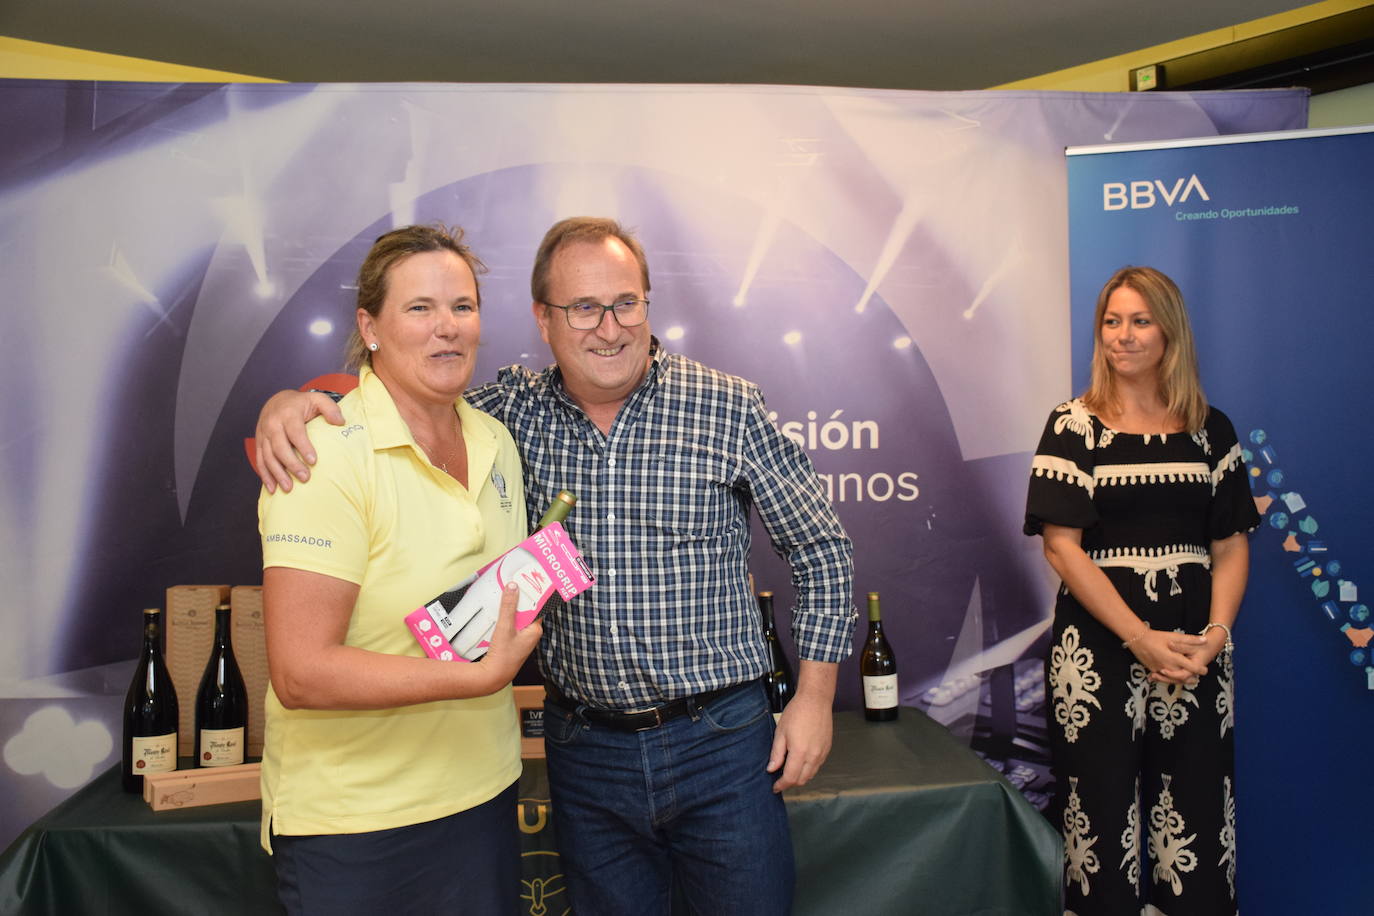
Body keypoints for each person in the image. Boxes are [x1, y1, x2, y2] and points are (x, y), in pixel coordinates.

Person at [255, 216, 856, 915]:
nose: (610, 328)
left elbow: (821, 546)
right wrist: (300, 404)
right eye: (583, 308)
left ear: (647, 305)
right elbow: (396, 397)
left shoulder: (725, 406)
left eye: (625, 302)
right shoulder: (510, 412)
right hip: (586, 753)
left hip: (720, 744)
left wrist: (812, 700)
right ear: (543, 319)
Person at [257, 224, 542, 916]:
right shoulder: (321, 454)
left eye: (463, 307)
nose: (447, 328)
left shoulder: (495, 438)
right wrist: (474, 678)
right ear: (370, 326)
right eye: (419, 309)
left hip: (482, 796)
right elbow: (299, 672)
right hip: (358, 825)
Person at [1023, 266, 1258, 916]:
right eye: (1111, 321)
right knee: (1097, 824)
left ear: (1169, 330)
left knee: (1202, 828)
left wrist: (1214, 636)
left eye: (1139, 320)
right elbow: (1061, 546)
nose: (1121, 337)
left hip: (1195, 655)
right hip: (1097, 656)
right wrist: (1137, 636)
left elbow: (1231, 545)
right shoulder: (1072, 427)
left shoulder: (1213, 430)